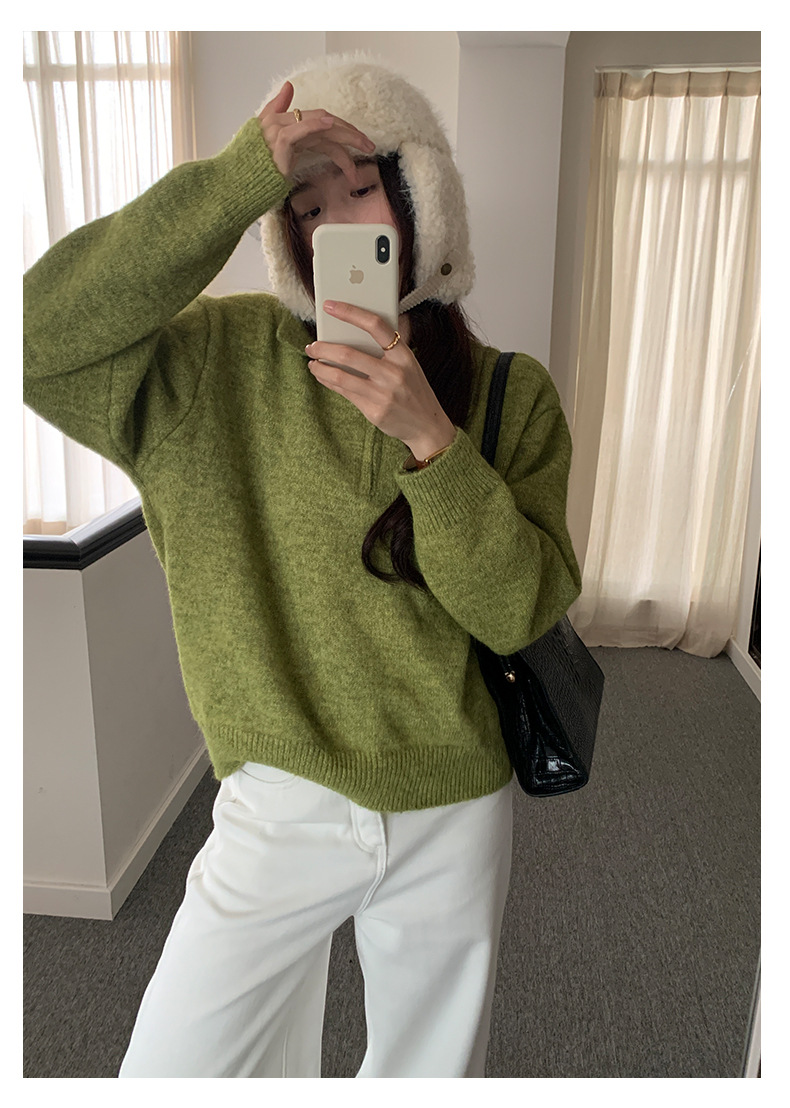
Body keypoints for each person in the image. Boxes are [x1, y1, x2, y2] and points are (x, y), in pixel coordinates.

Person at [23, 54, 582, 1078]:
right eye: (304, 204)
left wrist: (434, 446)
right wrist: (235, 178)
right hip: (276, 797)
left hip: (450, 801)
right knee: (172, 1074)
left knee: (428, 1078)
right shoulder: (214, 364)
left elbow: (519, 612)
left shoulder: (511, 394)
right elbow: (37, 337)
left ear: (422, 201)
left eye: (360, 188)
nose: (333, 226)